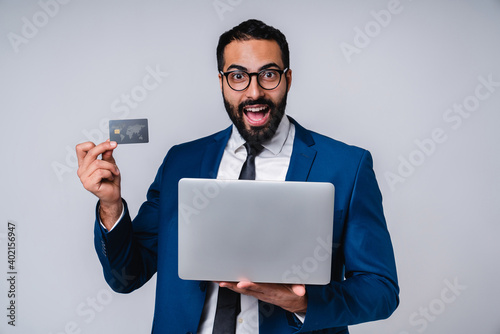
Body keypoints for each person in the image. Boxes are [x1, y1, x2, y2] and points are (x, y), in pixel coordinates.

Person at [76, 19, 399, 334]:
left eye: (269, 75)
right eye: (238, 76)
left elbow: (381, 290)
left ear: (288, 79)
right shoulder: (181, 162)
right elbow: (126, 278)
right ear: (221, 82)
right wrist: (111, 207)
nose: (254, 92)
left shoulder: (347, 166)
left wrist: (302, 303)